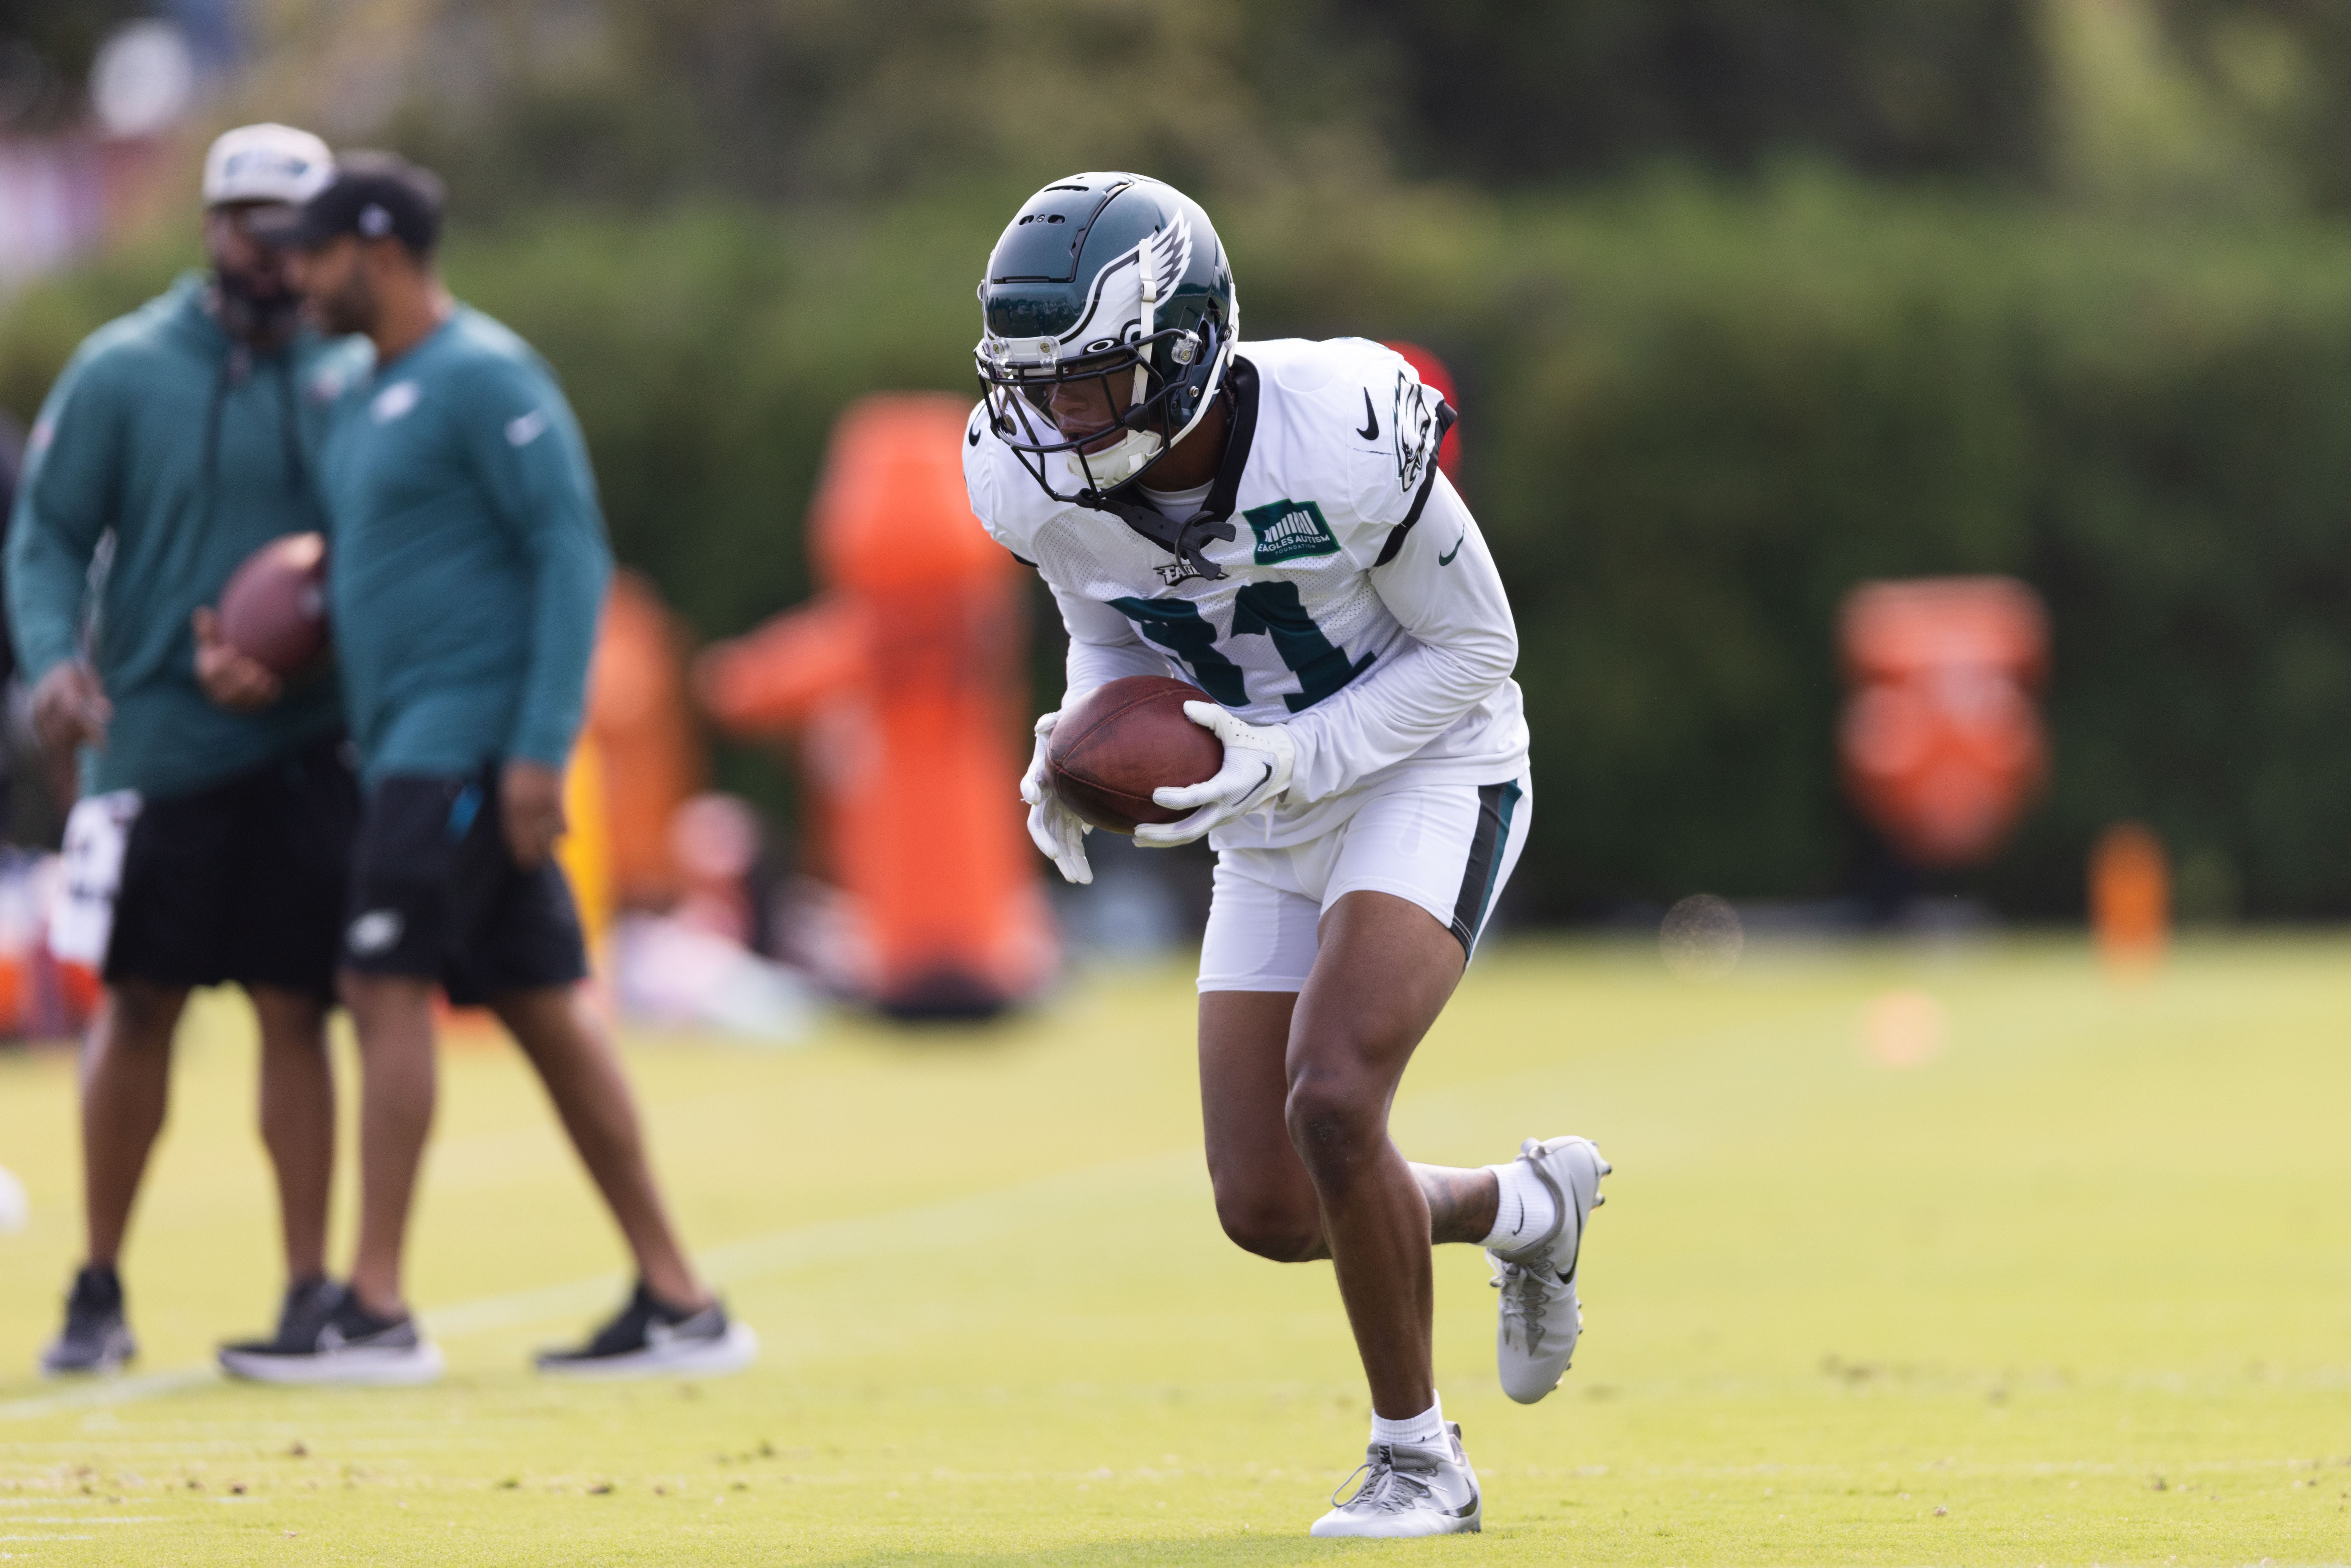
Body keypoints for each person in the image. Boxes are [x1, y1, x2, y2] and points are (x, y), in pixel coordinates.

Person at [965, 173, 1610, 1537]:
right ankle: (1524, 1204)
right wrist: (1081, 745)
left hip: (1423, 764)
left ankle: (1417, 1457)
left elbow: (1477, 649)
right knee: (1267, 1200)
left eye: (1084, 380)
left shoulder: (1343, 423)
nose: (1054, 416)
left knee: (1332, 1096)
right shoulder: (1021, 473)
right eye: (1034, 384)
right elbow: (1113, 624)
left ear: (1186, 344)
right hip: (1258, 799)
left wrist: (1293, 757)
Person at [217, 152, 753, 1383]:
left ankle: (376, 1306)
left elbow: (570, 558)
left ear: (380, 251)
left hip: (462, 752)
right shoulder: (359, 395)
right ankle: (681, 1299)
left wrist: (537, 752)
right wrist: (262, 649)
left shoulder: (487, 377)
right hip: (403, 745)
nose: (292, 272)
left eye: (313, 250)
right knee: (553, 1013)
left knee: (383, 987)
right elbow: (364, 584)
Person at [6, 124, 363, 1376]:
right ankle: (99, 1283)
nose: (272, 259)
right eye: (251, 231)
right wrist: (54, 658)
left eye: (295, 235)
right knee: (139, 1004)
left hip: (306, 740)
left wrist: (305, 651)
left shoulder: (349, 369)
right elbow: (45, 535)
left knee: (295, 1006)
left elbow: (374, 550)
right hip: (155, 739)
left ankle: (312, 1287)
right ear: (214, 231)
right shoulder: (121, 370)